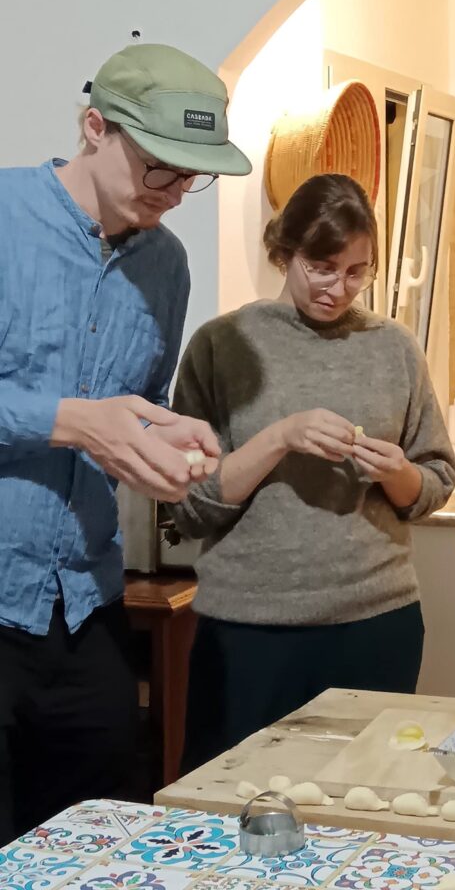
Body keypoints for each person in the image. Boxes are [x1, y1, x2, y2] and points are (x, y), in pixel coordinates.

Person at [0, 43, 251, 841]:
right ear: (93, 128)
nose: (177, 194)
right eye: (159, 169)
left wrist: (168, 444)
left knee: (103, 842)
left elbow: (139, 408)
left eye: (192, 176)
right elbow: (87, 420)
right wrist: (74, 420)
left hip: (87, 610)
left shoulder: (166, 265)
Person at [169, 173, 455, 771]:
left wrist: (398, 472)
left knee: (369, 806)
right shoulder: (223, 345)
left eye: (357, 272)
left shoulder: (394, 347)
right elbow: (190, 506)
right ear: (285, 251)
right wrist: (279, 437)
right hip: (250, 628)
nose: (338, 289)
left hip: (378, 622)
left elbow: (432, 483)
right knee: (232, 807)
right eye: (322, 267)